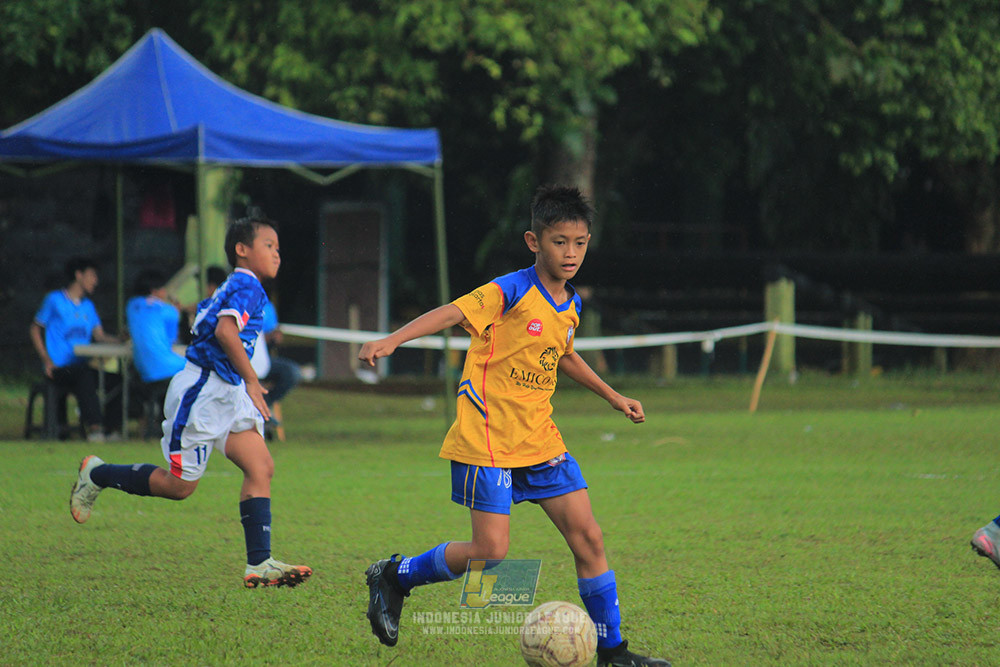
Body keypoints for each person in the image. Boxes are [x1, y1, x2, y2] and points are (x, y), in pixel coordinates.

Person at [359, 185, 670, 667]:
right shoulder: (510, 290)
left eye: (580, 242)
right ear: (534, 241)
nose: (570, 253)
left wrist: (612, 396)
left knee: (589, 538)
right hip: (487, 436)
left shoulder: (571, 304)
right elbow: (453, 312)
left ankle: (613, 651)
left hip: (539, 436)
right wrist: (392, 339)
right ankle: (396, 576)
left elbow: (561, 353)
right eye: (559, 241)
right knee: (491, 552)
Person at [69, 209, 312, 589]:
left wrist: (241, 383)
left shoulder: (238, 285)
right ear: (242, 250)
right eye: (269, 245)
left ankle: (259, 563)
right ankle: (96, 473)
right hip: (204, 392)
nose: (277, 253)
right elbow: (226, 331)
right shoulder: (245, 285)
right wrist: (251, 380)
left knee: (260, 466)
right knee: (179, 487)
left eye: (278, 247)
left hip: (225, 392)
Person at [30, 257, 121, 441]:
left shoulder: (88, 306)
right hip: (59, 367)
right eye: (92, 275)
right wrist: (46, 360)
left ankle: (112, 429)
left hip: (81, 365)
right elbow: (35, 328)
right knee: (84, 374)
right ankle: (95, 427)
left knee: (116, 380)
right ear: (79, 275)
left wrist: (120, 339)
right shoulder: (55, 300)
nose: (95, 281)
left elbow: (100, 336)